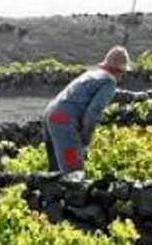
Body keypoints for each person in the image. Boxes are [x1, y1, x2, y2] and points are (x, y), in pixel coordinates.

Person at [42, 46, 132, 175]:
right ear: (119, 70)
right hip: (63, 120)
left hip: (50, 115)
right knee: (73, 170)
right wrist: (86, 136)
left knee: (55, 171)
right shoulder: (109, 82)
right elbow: (94, 110)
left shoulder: (92, 74)